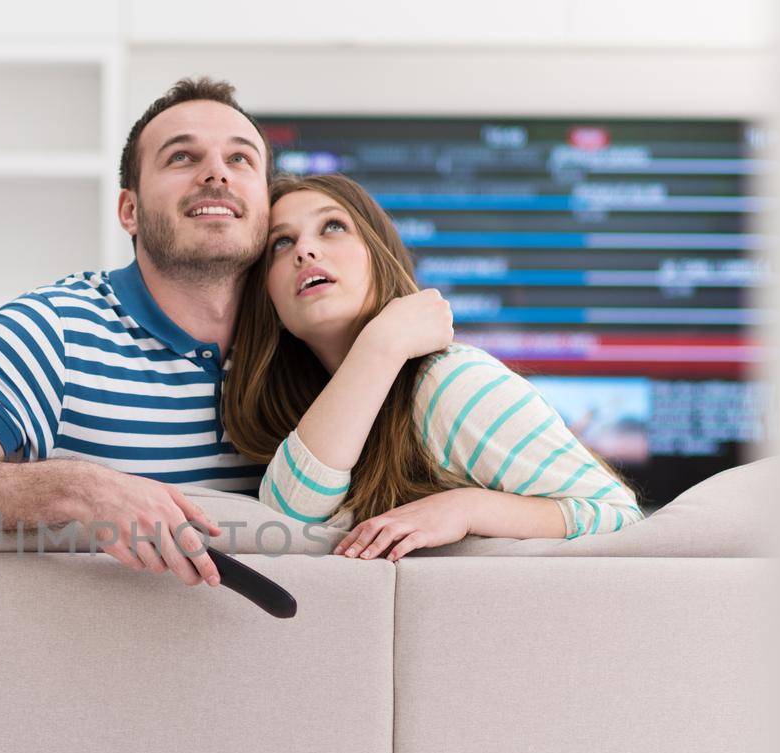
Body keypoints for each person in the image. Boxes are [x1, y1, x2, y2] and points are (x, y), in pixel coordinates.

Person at [0, 77, 275, 589]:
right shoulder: (54, 331)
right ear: (130, 210)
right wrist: (77, 487)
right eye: (182, 158)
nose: (216, 174)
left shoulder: (304, 340)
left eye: (241, 159)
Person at [222, 172, 646, 562]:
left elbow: (621, 517)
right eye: (282, 242)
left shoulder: (450, 382)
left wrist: (468, 508)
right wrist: (381, 345)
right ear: (269, 301)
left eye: (333, 226)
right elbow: (286, 521)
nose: (305, 250)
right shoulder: (309, 406)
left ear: (380, 256)